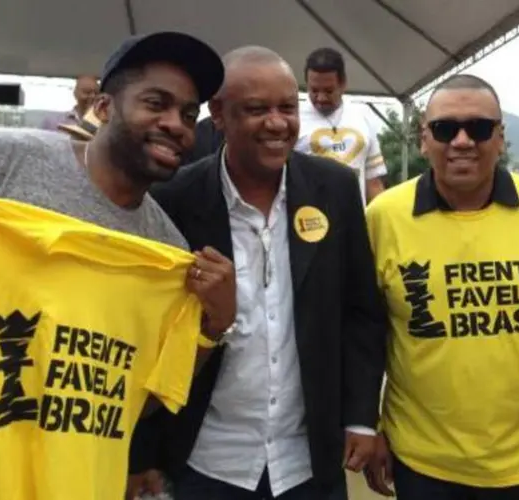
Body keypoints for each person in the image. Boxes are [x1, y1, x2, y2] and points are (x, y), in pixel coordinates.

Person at [127, 45, 388, 500]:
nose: (277, 122)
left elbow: (361, 313)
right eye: (256, 109)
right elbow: (143, 335)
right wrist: (142, 455)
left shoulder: (335, 190)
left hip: (309, 462)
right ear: (219, 115)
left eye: (287, 107)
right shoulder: (173, 201)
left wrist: (361, 418)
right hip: (205, 463)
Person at [0, 31, 237, 499]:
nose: (176, 125)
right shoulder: (7, 161)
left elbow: (135, 400)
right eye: (155, 103)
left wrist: (214, 326)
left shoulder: (165, 249)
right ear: (103, 108)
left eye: (188, 115)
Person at [363, 74, 519, 500]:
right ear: (423, 140)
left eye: (479, 128)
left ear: (501, 138)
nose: (462, 141)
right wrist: (370, 426)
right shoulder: (383, 217)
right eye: (445, 129)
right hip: (423, 459)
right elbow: (366, 333)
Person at [295, 47, 386, 206]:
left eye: (329, 91)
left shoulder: (363, 115)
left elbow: (374, 183)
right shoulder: (294, 119)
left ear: (343, 84)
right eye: (314, 90)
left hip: (355, 221)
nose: (321, 98)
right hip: (310, 222)